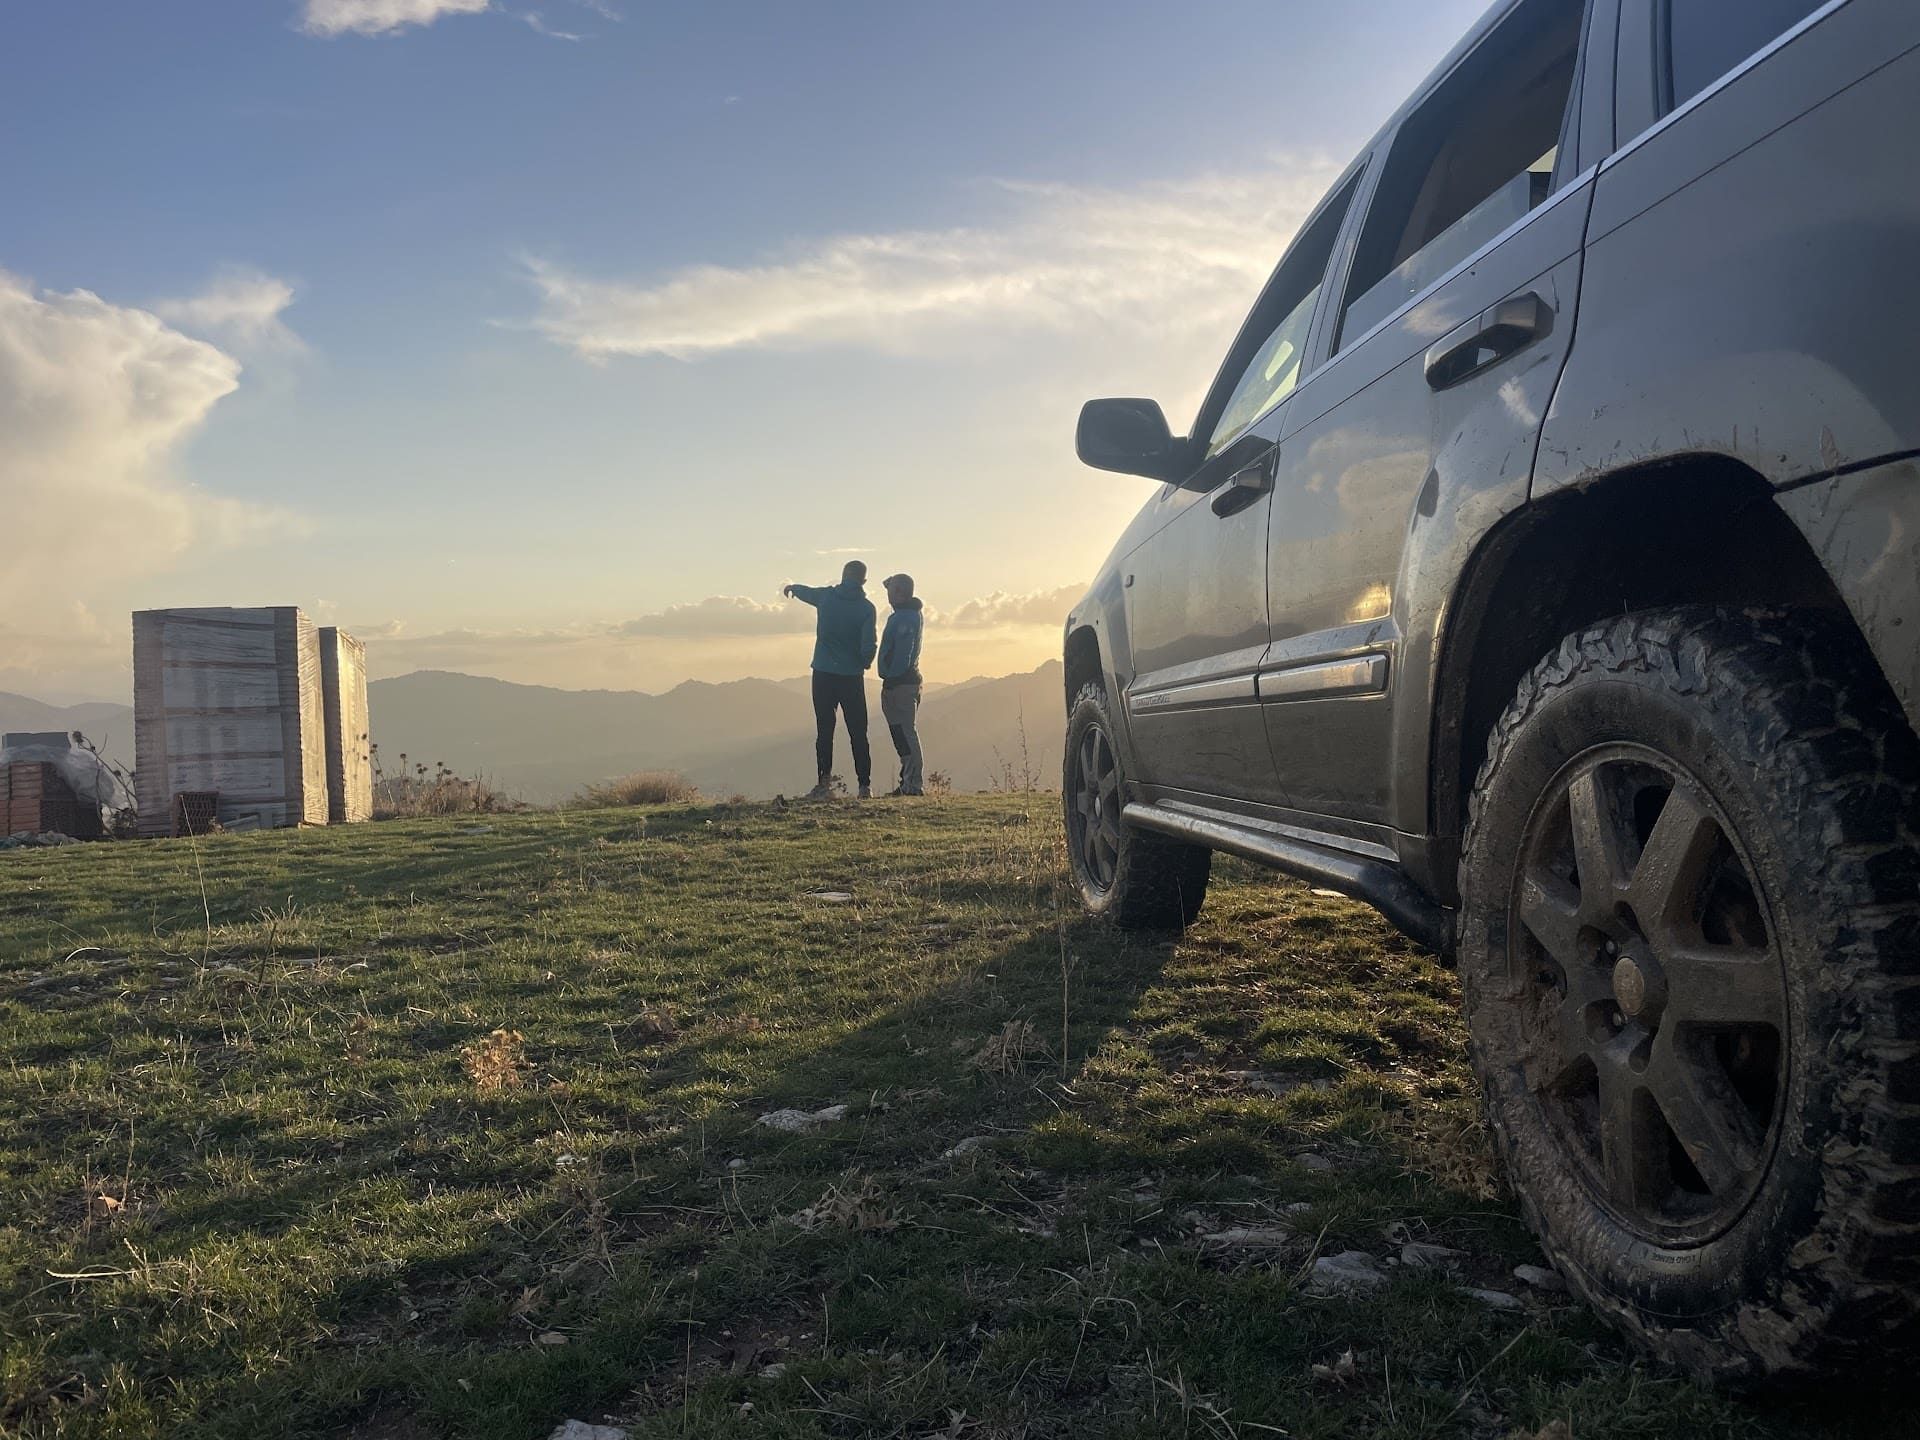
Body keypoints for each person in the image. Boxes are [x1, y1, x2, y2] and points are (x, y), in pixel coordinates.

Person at [783, 560, 877, 798]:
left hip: (823, 674)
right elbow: (869, 644)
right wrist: (863, 662)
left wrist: (793, 587)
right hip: (851, 678)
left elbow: (807, 592)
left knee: (825, 730)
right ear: (863, 581)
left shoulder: (826, 597)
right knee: (858, 731)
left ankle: (824, 784)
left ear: (843, 575)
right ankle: (864, 786)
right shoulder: (867, 608)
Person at [878, 572, 925, 796]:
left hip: (901, 684)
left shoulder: (905, 618)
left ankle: (913, 785)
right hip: (902, 683)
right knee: (901, 734)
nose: (887, 593)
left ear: (899, 593)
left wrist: (892, 677)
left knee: (906, 733)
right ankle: (908, 782)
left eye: (890, 589)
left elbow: (903, 653)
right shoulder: (908, 615)